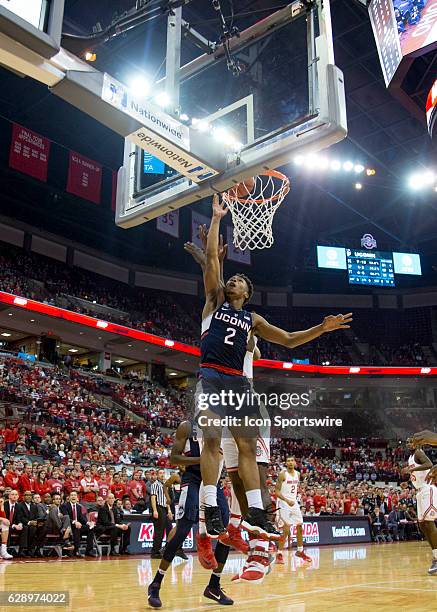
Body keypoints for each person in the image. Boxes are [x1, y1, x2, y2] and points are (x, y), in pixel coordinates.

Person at [194, 194, 352, 538]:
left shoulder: (253, 319)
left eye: (237, 280)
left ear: (247, 292)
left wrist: (321, 329)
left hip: (238, 383)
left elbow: (291, 340)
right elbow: (209, 260)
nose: (231, 280)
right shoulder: (214, 300)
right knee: (211, 441)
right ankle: (209, 505)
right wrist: (218, 218)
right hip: (210, 375)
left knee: (248, 448)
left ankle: (256, 512)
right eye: (230, 277)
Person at [148, 420, 232, 608]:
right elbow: (174, 459)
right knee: (183, 528)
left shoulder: (222, 429)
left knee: (226, 532)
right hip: (192, 478)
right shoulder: (187, 427)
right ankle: (155, 584)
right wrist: (201, 459)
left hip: (213, 481)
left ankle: (214, 586)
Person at [403, 438, 437, 574]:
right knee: (422, 525)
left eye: (411, 442)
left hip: (427, 489)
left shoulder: (418, 452)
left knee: (428, 523)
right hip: (419, 491)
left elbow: (429, 464)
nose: (408, 444)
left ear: (417, 443)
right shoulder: (411, 457)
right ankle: (435, 557)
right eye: (407, 442)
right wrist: (408, 481)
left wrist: (410, 470)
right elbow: (418, 474)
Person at [275, 457, 312, 564]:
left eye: (292, 460)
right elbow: (276, 491)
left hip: (294, 502)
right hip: (283, 503)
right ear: (286, 463)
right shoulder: (282, 474)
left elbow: (294, 489)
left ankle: (300, 551)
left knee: (300, 525)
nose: (290, 462)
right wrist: (286, 500)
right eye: (288, 461)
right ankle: (279, 553)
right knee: (286, 529)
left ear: (295, 463)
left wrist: (293, 500)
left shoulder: (298, 474)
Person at [60, 491, 96, 557]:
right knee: (77, 528)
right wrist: (74, 522)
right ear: (69, 497)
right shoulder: (64, 506)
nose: (73, 496)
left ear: (77, 498)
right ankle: (76, 551)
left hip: (78, 525)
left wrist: (88, 523)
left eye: (75, 495)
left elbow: (81, 517)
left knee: (91, 528)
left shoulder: (79, 507)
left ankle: (89, 551)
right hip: (69, 526)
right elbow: (66, 517)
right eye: (72, 495)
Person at [150, 469, 172, 558]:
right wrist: (155, 510)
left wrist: (169, 510)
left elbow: (167, 499)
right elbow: (153, 498)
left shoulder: (165, 485)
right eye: (160, 473)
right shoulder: (155, 484)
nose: (162, 474)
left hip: (165, 508)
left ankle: (167, 550)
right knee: (159, 531)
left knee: (169, 529)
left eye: (163, 473)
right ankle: (155, 552)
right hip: (159, 508)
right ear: (157, 475)